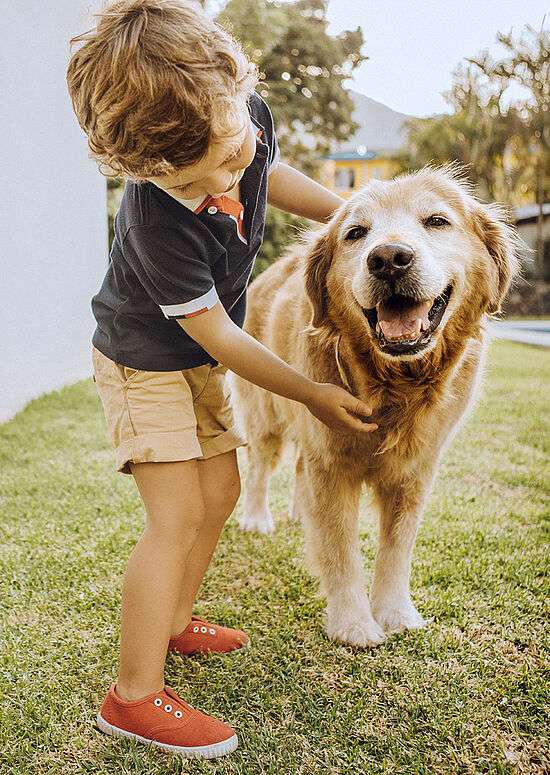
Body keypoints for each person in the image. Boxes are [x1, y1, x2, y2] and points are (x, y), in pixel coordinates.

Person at [66, 0, 378, 760]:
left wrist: (356, 217)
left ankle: (174, 621)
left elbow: (273, 168)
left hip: (197, 358)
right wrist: (308, 392)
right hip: (145, 361)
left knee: (224, 491)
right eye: (213, 174)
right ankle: (133, 695)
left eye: (238, 148)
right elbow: (222, 335)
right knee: (174, 514)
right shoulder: (155, 219)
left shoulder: (238, 115)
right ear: (145, 169)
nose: (237, 172)